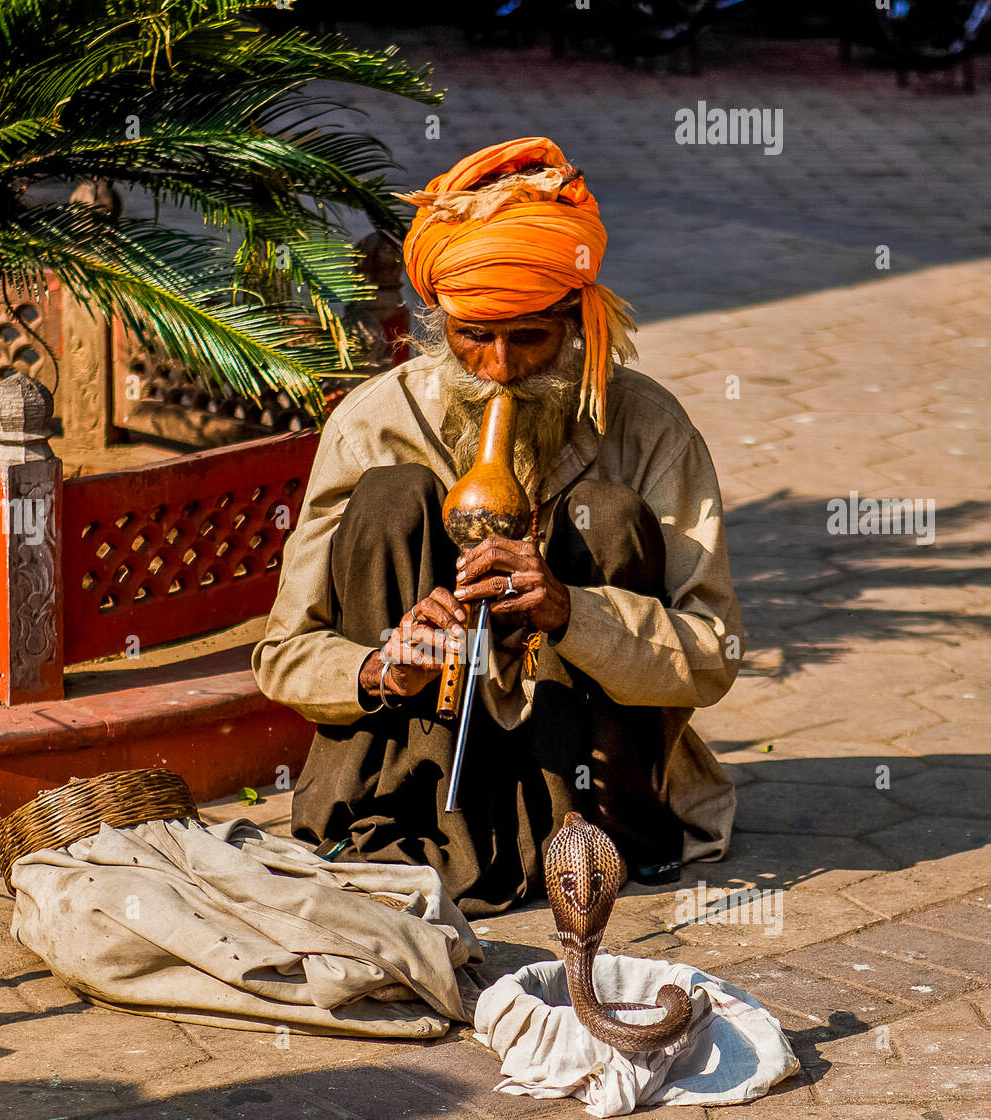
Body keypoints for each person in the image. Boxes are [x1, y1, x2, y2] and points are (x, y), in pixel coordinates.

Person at [252, 137, 744, 916]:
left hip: (587, 784)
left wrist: (571, 614)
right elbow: (283, 656)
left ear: (577, 322)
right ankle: (412, 811)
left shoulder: (645, 424)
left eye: (529, 338)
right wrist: (384, 667)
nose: (499, 366)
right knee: (391, 498)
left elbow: (713, 654)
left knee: (608, 515)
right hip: (412, 790)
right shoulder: (375, 421)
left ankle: (600, 820)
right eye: (472, 335)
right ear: (436, 319)